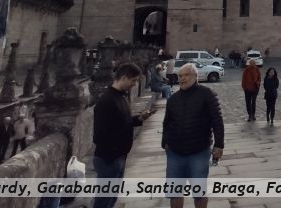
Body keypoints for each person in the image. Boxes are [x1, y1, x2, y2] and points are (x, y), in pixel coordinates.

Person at [163, 63, 224, 208]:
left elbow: (217, 121)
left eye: (186, 75)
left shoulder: (207, 94)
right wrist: (165, 143)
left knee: (199, 192)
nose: (182, 79)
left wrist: (219, 145)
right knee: (174, 193)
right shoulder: (173, 99)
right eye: (180, 76)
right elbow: (167, 123)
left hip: (199, 151)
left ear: (195, 76)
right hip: (175, 153)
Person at [93, 62, 150, 208]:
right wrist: (115, 153)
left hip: (119, 156)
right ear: (124, 78)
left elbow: (122, 122)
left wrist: (138, 119)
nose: (135, 84)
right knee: (103, 202)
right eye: (133, 80)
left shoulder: (121, 97)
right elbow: (99, 135)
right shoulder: (107, 101)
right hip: (109, 159)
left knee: (111, 200)